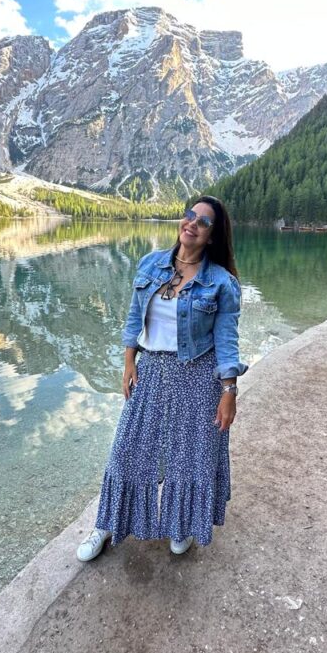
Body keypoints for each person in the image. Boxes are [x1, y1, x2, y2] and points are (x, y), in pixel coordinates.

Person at [77, 195, 247, 560]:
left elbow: (227, 341)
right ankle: (105, 525)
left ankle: (181, 524)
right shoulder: (150, 265)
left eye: (203, 221)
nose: (192, 223)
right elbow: (132, 319)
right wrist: (129, 362)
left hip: (198, 375)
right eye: (189, 215)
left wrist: (229, 390)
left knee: (189, 457)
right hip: (151, 370)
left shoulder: (221, 283)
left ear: (213, 236)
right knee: (127, 449)